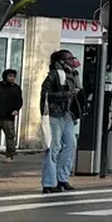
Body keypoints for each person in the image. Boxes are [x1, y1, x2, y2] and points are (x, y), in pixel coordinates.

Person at [39, 50, 83, 193]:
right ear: (62, 61)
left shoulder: (72, 74)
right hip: (54, 114)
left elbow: (79, 90)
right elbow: (46, 94)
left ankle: (62, 179)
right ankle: (49, 182)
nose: (73, 61)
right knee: (54, 147)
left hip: (67, 114)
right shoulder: (54, 75)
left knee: (70, 144)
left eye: (73, 58)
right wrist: (67, 94)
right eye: (69, 58)